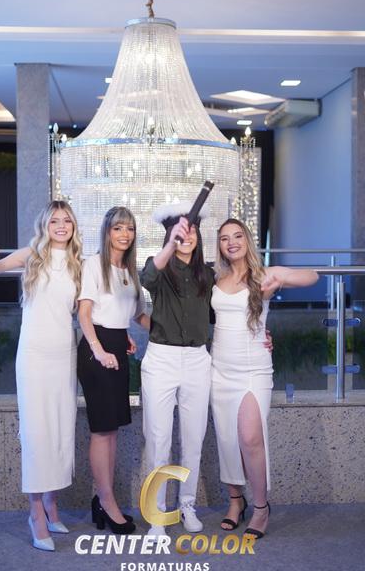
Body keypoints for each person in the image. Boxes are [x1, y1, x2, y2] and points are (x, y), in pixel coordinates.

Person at [0, 200, 82, 551]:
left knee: (61, 429)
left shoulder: (79, 262)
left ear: (73, 226)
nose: (61, 226)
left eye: (67, 220)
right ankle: (35, 513)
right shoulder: (31, 254)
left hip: (65, 356)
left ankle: (51, 503)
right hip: (34, 356)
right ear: (44, 225)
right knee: (37, 433)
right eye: (54, 220)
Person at [210, 218, 318, 539]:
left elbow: (312, 276)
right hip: (220, 369)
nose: (232, 242)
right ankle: (235, 501)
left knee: (250, 438)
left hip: (254, 369)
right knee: (227, 439)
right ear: (220, 245)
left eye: (237, 236)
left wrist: (279, 281)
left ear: (247, 240)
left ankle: (260, 507)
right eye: (225, 238)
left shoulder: (264, 274)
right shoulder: (216, 278)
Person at [140, 202, 216, 539]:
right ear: (169, 236)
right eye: (180, 231)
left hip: (198, 360)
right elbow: (146, 277)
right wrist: (171, 244)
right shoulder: (158, 268)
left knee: (193, 438)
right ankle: (157, 513)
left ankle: (187, 504)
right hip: (162, 359)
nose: (187, 236)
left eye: (192, 230)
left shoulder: (207, 275)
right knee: (158, 439)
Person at [77, 206, 150, 535]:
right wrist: (99, 349)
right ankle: (106, 501)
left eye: (130, 229)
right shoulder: (94, 264)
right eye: (118, 228)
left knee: (112, 431)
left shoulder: (130, 270)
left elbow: (137, 315)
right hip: (98, 350)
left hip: (118, 347)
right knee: (101, 430)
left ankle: (102, 499)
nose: (124, 234)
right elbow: (85, 313)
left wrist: (174, 333)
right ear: (107, 231)